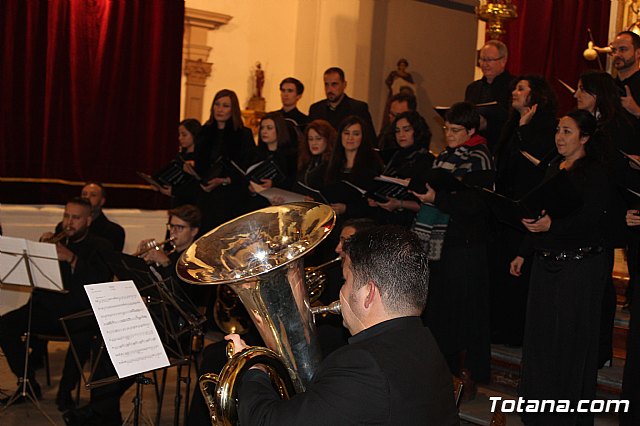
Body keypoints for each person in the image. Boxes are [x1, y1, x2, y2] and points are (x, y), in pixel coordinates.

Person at [231, 225, 460, 426]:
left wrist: (253, 372)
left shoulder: (363, 365)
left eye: (345, 281)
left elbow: (267, 422)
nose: (340, 292)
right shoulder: (425, 343)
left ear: (369, 293)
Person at [510, 110, 609, 425]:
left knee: (568, 342)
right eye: (558, 130)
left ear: (585, 137)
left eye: (567, 131)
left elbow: (590, 220)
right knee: (540, 341)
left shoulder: (595, 172)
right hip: (546, 262)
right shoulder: (554, 167)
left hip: (578, 267)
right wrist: (525, 250)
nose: (560, 137)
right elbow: (540, 209)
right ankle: (537, 413)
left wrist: (553, 224)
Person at [410, 102, 494, 400]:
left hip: (465, 246)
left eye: (456, 130)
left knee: (462, 315)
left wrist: (439, 197)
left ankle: (465, 377)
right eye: (446, 128)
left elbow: (477, 205)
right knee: (440, 315)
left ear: (472, 130)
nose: (449, 134)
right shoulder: (444, 155)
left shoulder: (480, 157)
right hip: (440, 247)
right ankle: (440, 376)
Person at [0, 198, 114, 409]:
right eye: (66, 216)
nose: (69, 222)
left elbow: (100, 282)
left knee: (83, 336)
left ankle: (65, 391)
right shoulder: (58, 238)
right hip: (48, 308)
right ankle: (27, 382)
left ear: (88, 220)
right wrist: (40, 252)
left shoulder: (101, 246)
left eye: (76, 218)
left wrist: (72, 259)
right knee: (5, 325)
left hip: (79, 311)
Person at [490, 75, 558, 346]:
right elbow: (505, 165)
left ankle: (518, 332)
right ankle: (501, 328)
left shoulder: (547, 128)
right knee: (502, 271)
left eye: (521, 89)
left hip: (530, 207)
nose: (514, 93)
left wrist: (525, 129)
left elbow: (533, 167)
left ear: (536, 96)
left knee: (521, 273)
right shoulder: (512, 125)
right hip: (507, 207)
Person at [194, 89, 256, 232]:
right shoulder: (204, 131)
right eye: (217, 104)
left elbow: (247, 167)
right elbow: (199, 162)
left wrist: (224, 180)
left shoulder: (242, 134)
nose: (220, 109)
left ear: (232, 109)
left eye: (225, 106)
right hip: (205, 195)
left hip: (231, 196)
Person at [368, 111, 434, 226]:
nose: (401, 135)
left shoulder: (426, 159)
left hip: (410, 222)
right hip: (386, 218)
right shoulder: (396, 155)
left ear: (417, 131)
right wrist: (377, 197)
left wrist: (399, 203)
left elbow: (427, 203)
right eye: (397, 131)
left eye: (406, 130)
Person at [137, 204, 209, 310]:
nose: (173, 232)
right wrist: (142, 261)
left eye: (179, 227)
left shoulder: (199, 260)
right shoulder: (171, 254)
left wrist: (166, 263)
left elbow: (183, 295)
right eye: (171, 226)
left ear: (194, 231)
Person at [323, 115, 383, 222]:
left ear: (363, 137)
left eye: (356, 134)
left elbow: (373, 203)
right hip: (332, 220)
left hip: (361, 222)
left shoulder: (373, 162)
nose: (350, 138)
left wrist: (347, 209)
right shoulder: (332, 162)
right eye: (346, 133)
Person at [465, 40, 514, 153]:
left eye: (490, 60)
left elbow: (513, 121)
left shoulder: (514, 87)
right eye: (482, 59)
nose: (484, 64)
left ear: (503, 61)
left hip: (502, 147)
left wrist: (487, 124)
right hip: (474, 147)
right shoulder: (473, 88)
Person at [308, 67, 376, 138]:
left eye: (334, 84)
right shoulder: (316, 109)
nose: (329, 89)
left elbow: (369, 138)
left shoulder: (358, 108)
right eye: (326, 84)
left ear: (344, 85)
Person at [152, 118, 202, 208]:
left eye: (184, 135)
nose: (180, 138)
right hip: (178, 202)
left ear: (195, 135)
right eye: (179, 135)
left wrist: (175, 191)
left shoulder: (200, 158)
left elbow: (195, 186)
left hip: (191, 205)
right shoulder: (181, 156)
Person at [78, 182, 126, 252]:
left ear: (102, 201)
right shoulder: (68, 228)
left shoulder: (114, 232)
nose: (87, 198)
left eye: (93, 195)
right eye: (84, 194)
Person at [296, 119, 336, 190]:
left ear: (328, 140)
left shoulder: (332, 164)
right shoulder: (306, 160)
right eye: (310, 139)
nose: (314, 143)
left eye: (318, 139)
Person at [610, 31, 640, 120]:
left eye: (623, 49)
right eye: (614, 51)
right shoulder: (609, 85)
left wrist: (637, 111)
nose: (617, 55)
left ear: (638, 53)